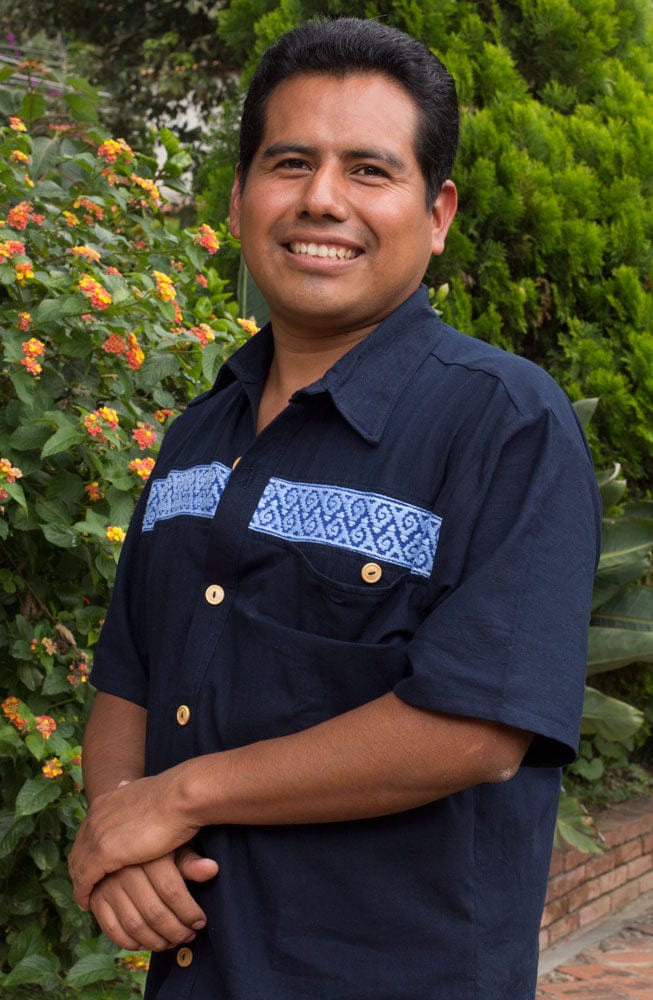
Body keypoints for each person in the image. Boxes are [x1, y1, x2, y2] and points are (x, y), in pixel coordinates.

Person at [69, 17, 601, 999]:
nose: (320, 199)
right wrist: (119, 826)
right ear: (237, 199)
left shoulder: (501, 425)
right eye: (288, 162)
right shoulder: (195, 437)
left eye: (368, 170)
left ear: (435, 212)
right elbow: (128, 677)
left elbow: (475, 725)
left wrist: (175, 795)